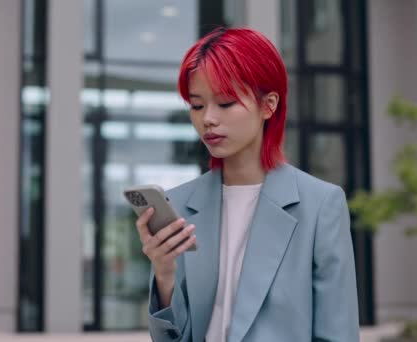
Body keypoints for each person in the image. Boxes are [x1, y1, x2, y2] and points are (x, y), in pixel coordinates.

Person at [135, 27, 359, 341]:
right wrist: (164, 273)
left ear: (268, 105)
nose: (208, 119)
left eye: (225, 103)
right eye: (197, 106)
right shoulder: (180, 204)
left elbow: (338, 333)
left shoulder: (319, 205)